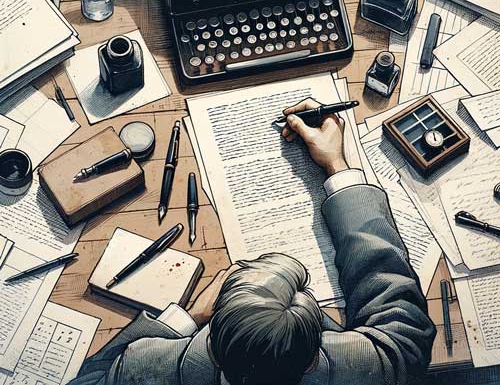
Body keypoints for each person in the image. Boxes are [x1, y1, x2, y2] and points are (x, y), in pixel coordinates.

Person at [69, 98, 436, 385]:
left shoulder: (145, 366)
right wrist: (337, 166)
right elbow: (400, 315)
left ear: (213, 346)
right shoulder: (369, 368)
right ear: (311, 358)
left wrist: (186, 317)